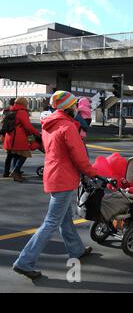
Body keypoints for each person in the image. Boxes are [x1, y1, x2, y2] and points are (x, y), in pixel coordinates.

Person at [13, 91, 98, 280]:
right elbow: (79, 156)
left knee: (64, 219)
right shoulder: (67, 127)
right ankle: (24, 262)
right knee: (51, 222)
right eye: (75, 105)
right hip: (65, 179)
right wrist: (92, 173)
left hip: (53, 176)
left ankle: (76, 249)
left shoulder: (49, 125)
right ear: (68, 108)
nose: (77, 108)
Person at [2, 97, 41, 182]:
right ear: (23, 103)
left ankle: (13, 172)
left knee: (14, 155)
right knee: (24, 154)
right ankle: (15, 172)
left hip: (9, 137)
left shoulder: (11, 110)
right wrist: (38, 134)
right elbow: (28, 126)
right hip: (18, 138)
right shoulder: (22, 112)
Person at [1, 98, 17, 178]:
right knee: (16, 154)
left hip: (5, 133)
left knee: (9, 155)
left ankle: (6, 172)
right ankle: (15, 170)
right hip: (13, 135)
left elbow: (2, 121)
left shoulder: (6, 110)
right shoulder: (14, 112)